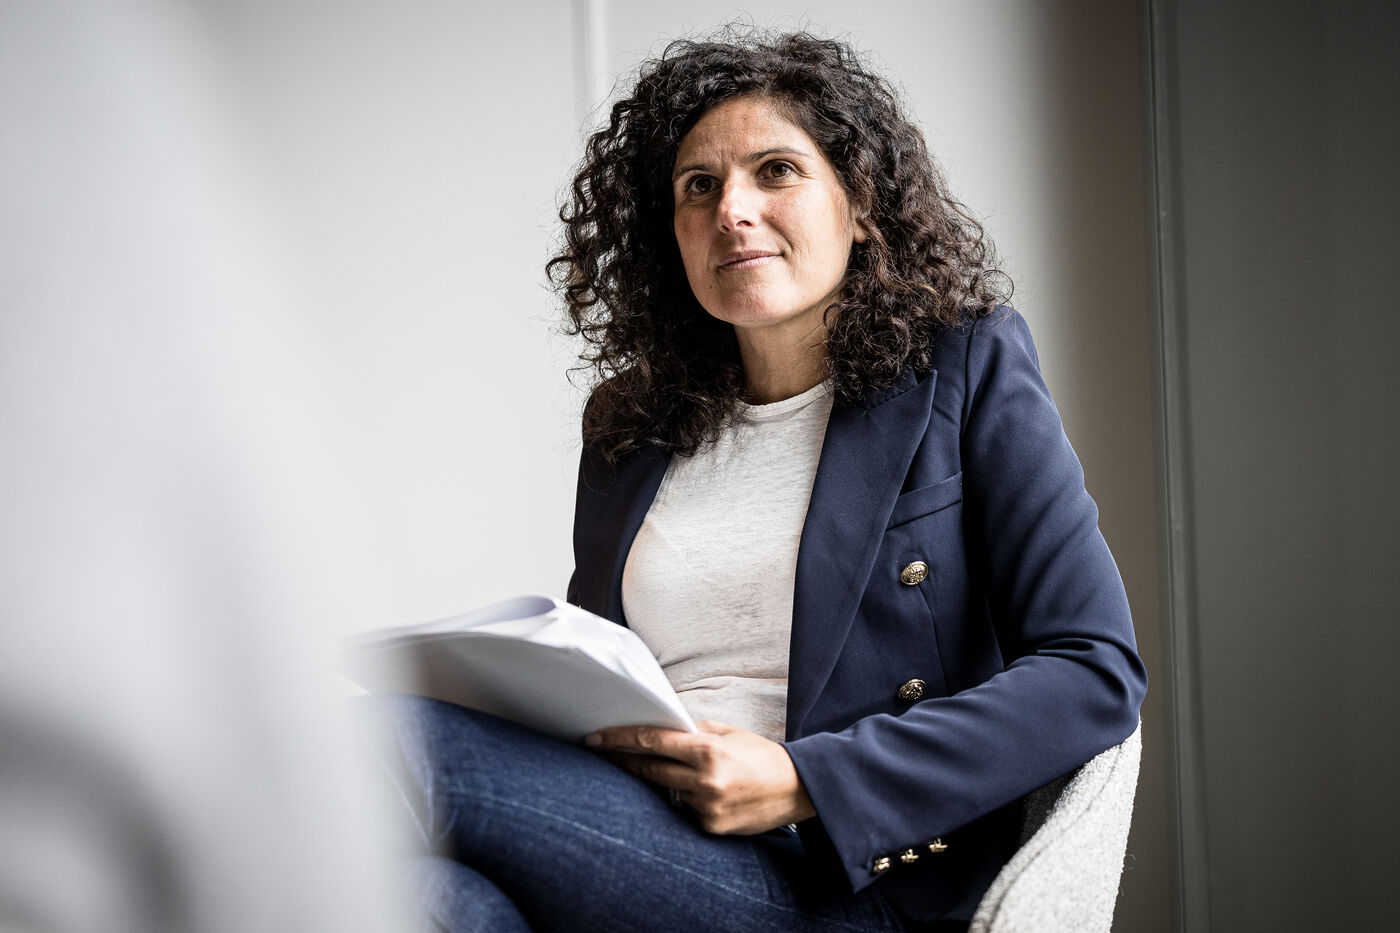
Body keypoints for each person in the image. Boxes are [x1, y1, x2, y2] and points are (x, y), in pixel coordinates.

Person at [364, 30, 1146, 933]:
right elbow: (596, 661)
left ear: (860, 204)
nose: (732, 208)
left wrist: (807, 779)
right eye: (699, 187)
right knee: (435, 903)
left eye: (776, 170)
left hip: (846, 878)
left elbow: (1093, 670)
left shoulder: (966, 366)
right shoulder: (631, 424)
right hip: (640, 831)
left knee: (385, 737)